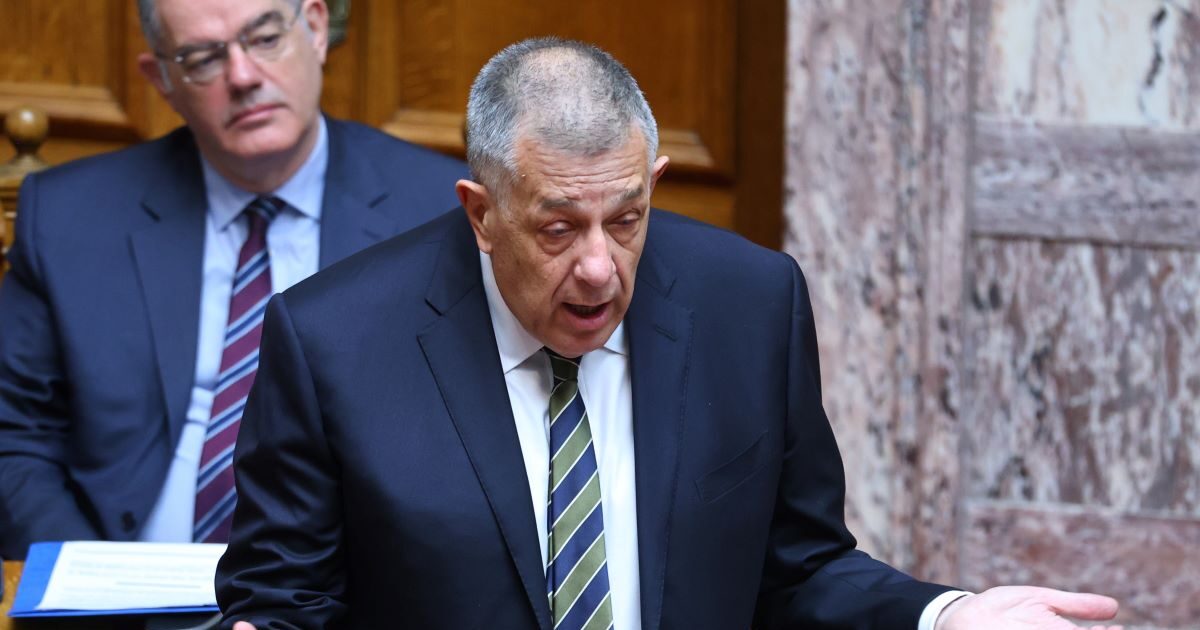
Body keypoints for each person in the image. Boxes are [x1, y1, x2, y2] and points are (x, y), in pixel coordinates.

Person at [215, 38, 1122, 629]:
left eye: (627, 218)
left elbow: (798, 568)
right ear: (482, 214)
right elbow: (285, 596)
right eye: (558, 228)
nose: (600, 267)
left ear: (652, 182)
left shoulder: (750, 304)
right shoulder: (335, 342)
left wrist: (947, 615)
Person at [0, 0, 466, 559]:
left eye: (265, 38)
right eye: (202, 58)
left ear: (316, 29)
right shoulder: (69, 218)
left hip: (347, 589)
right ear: (162, 80)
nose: (243, 77)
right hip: (126, 585)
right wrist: (88, 582)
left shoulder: (440, 214)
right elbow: (15, 438)